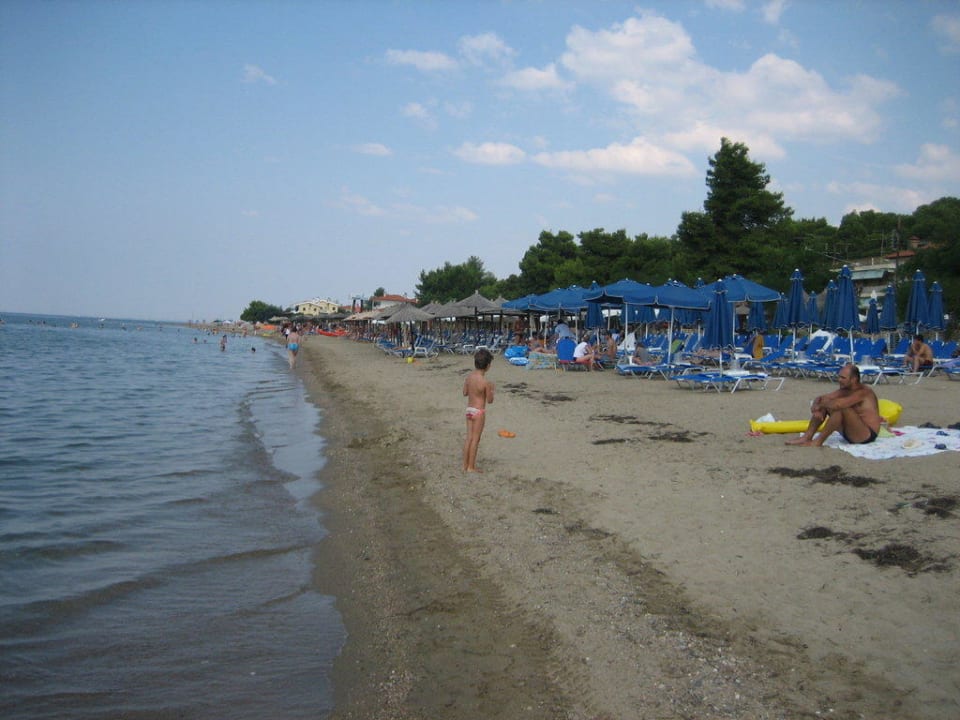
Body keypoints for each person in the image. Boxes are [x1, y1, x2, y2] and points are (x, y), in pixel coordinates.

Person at [786, 364, 882, 447]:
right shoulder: (845, 390)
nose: (839, 380)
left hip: (865, 435)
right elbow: (821, 398)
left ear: (854, 379)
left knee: (839, 408)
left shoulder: (863, 392)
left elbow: (838, 405)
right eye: (839, 377)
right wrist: (817, 408)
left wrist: (821, 404)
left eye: (843, 378)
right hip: (850, 431)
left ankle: (818, 442)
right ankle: (807, 437)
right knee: (829, 403)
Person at [463, 348, 495, 473]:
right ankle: (471, 467)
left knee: (468, 438)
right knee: (475, 439)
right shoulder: (485, 382)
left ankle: (464, 465)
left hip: (469, 409)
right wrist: (492, 390)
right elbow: (490, 400)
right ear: (487, 366)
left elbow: (465, 393)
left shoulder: (469, 377)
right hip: (479, 411)